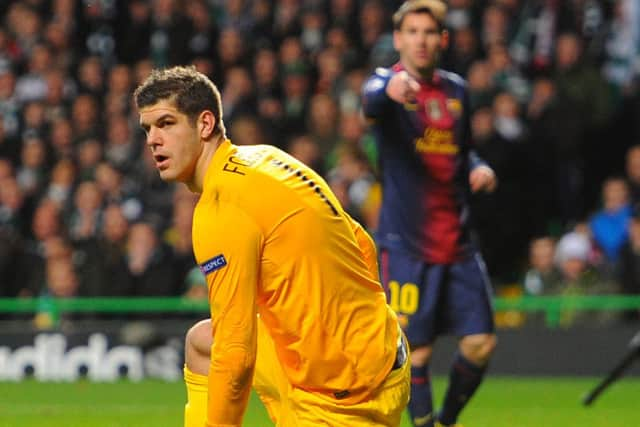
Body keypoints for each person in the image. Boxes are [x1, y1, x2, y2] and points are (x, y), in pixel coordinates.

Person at [133, 66, 410, 427]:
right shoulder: (268, 159)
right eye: (147, 129)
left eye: (166, 124)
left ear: (204, 124)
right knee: (202, 342)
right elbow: (360, 240)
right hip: (385, 355)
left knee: (226, 349)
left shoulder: (220, 209)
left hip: (343, 403)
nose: (153, 139)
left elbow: (237, 354)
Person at [361, 2, 498, 426]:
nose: (420, 40)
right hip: (407, 246)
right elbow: (371, 99)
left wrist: (477, 167)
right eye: (412, 32)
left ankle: (446, 419)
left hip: (456, 241)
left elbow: (464, 148)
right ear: (399, 39)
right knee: (415, 352)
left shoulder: (457, 90)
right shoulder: (386, 83)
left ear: (442, 40)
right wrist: (390, 91)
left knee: (481, 342)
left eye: (428, 32)